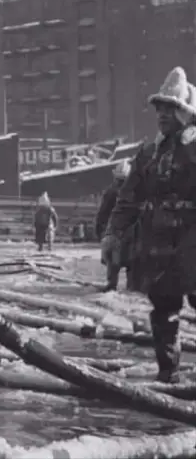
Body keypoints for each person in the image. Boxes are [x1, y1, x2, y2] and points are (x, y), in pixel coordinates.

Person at [103, 67, 196, 384]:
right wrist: (113, 234)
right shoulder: (149, 153)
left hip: (192, 245)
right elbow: (127, 199)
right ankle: (168, 374)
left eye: (170, 108)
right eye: (159, 108)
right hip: (158, 249)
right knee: (164, 311)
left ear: (184, 111)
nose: (162, 115)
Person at [95, 160, 134, 292]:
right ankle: (131, 285)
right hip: (131, 230)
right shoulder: (136, 191)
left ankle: (112, 284)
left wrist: (99, 229)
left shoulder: (111, 192)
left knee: (113, 259)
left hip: (115, 230)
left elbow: (103, 212)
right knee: (131, 259)